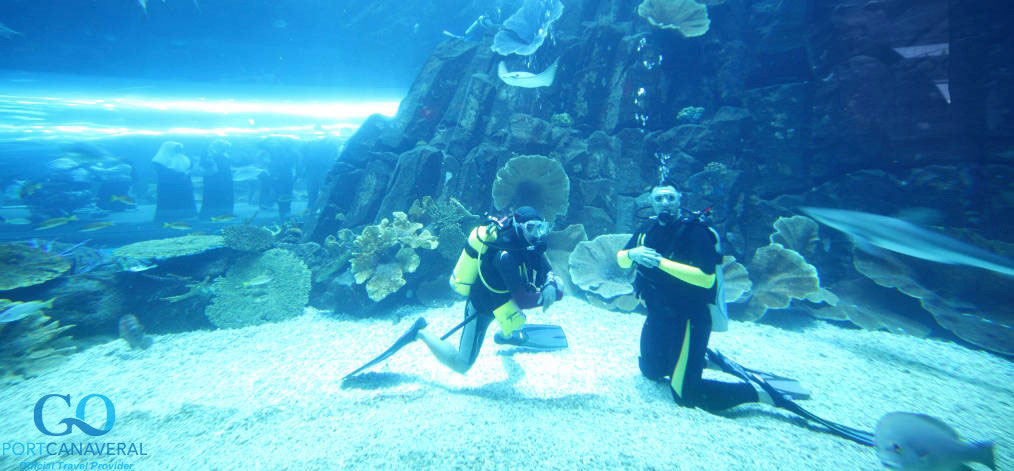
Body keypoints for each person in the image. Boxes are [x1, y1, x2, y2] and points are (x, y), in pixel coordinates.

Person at [617, 185, 777, 411]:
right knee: (650, 370)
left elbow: (706, 279)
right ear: (651, 202)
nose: (665, 202)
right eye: (659, 198)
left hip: (689, 319)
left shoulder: (696, 232)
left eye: (670, 197)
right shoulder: (647, 229)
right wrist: (632, 254)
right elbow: (622, 260)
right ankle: (701, 360)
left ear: (679, 200)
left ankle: (758, 393)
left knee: (685, 394)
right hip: (658, 314)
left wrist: (659, 262)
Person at [410, 206, 563, 373]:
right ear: (518, 226)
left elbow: (544, 268)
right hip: (483, 307)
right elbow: (523, 300)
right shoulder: (505, 255)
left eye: (540, 228)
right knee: (462, 364)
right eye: (530, 228)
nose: (536, 234)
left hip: (506, 302)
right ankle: (421, 332)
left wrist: (550, 285)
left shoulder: (527, 244)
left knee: (516, 319)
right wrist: (557, 292)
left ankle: (507, 335)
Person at [151, 141, 196, 222]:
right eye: (176, 148)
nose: (178, 150)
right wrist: (181, 175)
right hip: (168, 186)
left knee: (184, 201)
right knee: (169, 202)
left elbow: (190, 168)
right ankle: (167, 218)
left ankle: (186, 216)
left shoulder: (184, 157)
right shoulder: (159, 160)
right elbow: (162, 173)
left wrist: (186, 174)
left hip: (184, 185)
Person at [197, 139, 234, 219]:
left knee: (218, 197)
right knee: (217, 197)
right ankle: (217, 214)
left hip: (220, 180)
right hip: (218, 181)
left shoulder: (220, 155)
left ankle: (219, 214)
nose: (226, 149)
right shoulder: (213, 156)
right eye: (224, 148)